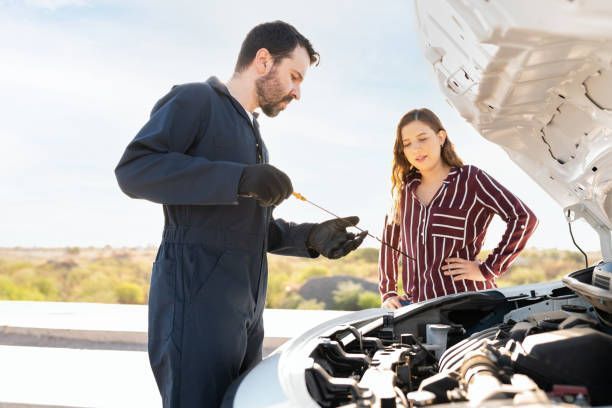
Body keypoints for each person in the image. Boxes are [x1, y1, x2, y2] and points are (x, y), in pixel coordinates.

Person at [115, 21, 366, 407]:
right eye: (294, 76)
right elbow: (134, 170)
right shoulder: (195, 100)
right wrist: (239, 178)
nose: (297, 92)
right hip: (196, 308)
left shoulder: (254, 137)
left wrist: (311, 238)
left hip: (246, 315)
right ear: (263, 61)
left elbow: (248, 229)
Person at [378, 108, 537, 309]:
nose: (416, 149)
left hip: (469, 305)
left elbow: (524, 217)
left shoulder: (471, 179)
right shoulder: (404, 190)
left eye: (423, 138)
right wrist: (388, 292)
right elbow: (389, 244)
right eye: (407, 144)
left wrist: (488, 269)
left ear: (441, 137)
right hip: (417, 308)